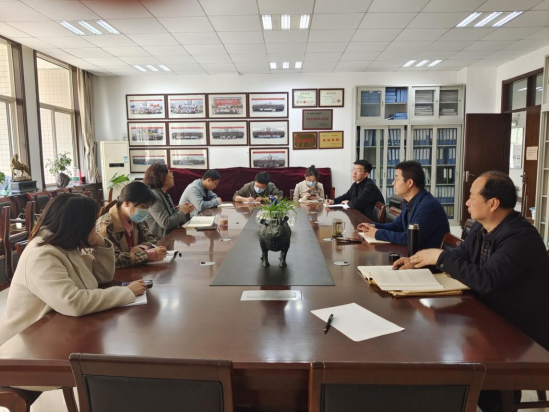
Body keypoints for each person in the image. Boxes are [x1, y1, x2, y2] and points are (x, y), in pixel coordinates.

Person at [393, 171, 549, 412]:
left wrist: (440, 257)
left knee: (452, 355)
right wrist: (420, 261)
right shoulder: (481, 227)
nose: (466, 202)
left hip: (520, 329)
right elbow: (461, 256)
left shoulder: (520, 237)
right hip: (487, 314)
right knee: (429, 337)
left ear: (493, 203)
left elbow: (485, 280)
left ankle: (489, 401)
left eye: (472, 196)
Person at [0, 194, 146, 347]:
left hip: (53, 328)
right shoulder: (42, 254)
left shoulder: (66, 244)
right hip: (24, 341)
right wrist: (126, 292)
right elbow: (72, 302)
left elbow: (103, 277)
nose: (95, 227)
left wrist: (100, 243)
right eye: (92, 223)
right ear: (78, 225)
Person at [357, 161, 449, 249]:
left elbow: (410, 239)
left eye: (397, 179)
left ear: (410, 183)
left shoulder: (428, 206)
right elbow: (396, 226)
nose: (393, 183)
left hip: (427, 257)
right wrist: (372, 226)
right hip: (412, 252)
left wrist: (377, 233)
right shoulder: (409, 201)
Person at [97, 181, 167, 269]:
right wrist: (147, 255)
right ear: (127, 203)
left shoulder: (134, 219)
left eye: (147, 207)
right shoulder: (106, 225)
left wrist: (142, 248)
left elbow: (151, 238)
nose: (145, 211)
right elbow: (113, 260)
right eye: (143, 206)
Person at [143, 163, 195, 238]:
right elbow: (165, 223)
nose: (172, 176)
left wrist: (183, 209)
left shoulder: (165, 194)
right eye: (169, 173)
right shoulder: (153, 196)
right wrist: (182, 212)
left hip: (171, 238)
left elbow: (171, 215)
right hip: (160, 241)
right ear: (161, 177)